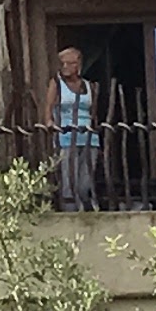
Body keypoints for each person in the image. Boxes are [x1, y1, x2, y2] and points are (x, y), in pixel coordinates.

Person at [52, 43, 99, 209]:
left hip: (89, 138)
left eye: (69, 63)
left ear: (78, 65)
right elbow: (48, 110)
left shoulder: (89, 86)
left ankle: (84, 211)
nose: (65, 67)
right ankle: (70, 213)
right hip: (66, 138)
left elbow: (93, 113)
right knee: (68, 181)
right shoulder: (57, 84)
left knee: (85, 182)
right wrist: (52, 126)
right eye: (62, 63)